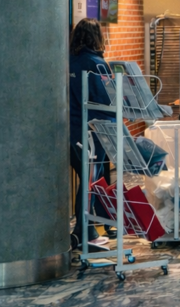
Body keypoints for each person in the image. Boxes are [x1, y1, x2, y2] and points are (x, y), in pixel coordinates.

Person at [68, 19, 114, 250]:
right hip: (92, 134)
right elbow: (106, 100)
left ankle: (87, 230)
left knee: (86, 181)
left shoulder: (68, 61)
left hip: (69, 131)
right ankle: (84, 233)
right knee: (90, 182)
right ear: (97, 37)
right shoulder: (97, 64)